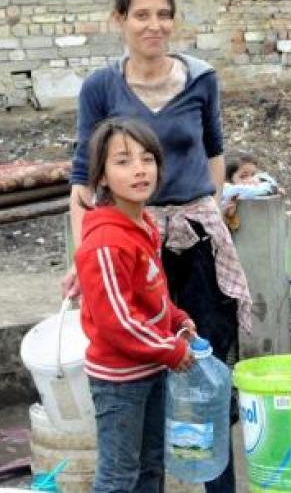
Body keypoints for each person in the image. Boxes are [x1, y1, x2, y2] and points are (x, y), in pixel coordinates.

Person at [65, 0, 250, 493]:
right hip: (128, 239)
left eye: (163, 15)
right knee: (140, 370)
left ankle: (219, 486)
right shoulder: (101, 87)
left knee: (208, 368)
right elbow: (83, 178)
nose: (154, 25)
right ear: (119, 20)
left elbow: (215, 154)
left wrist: (206, 211)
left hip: (193, 241)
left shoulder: (200, 78)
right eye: (141, 15)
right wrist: (84, 260)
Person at [74, 117, 196, 493]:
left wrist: (177, 320)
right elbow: (118, 322)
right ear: (103, 177)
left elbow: (152, 293)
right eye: (123, 161)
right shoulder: (107, 242)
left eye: (147, 159)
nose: (140, 170)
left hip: (151, 367)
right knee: (118, 475)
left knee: (151, 466)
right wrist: (171, 349)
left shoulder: (144, 225)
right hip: (120, 380)